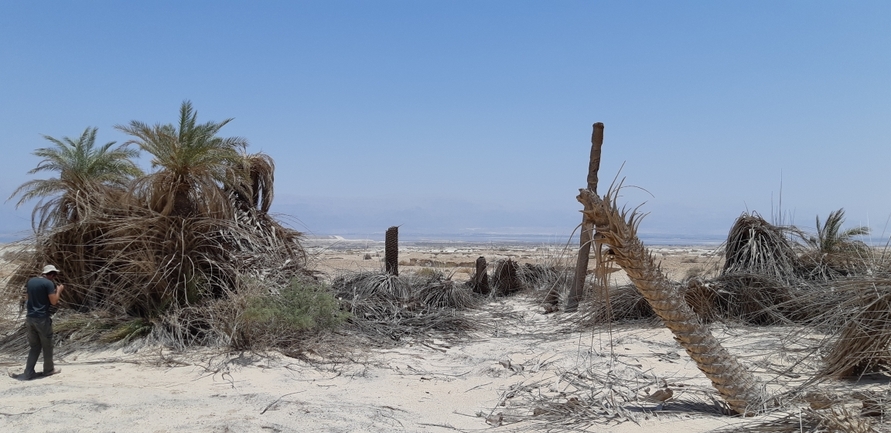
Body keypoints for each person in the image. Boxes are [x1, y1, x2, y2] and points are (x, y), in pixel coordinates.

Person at [23, 264, 64, 380]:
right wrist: (59, 291)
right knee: (47, 345)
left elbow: (28, 297)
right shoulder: (48, 283)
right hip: (41, 318)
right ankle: (48, 370)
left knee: (34, 346)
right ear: (51, 274)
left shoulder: (31, 281)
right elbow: (54, 301)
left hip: (30, 317)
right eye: (54, 275)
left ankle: (29, 371)